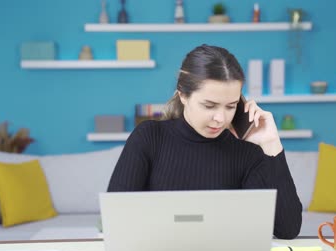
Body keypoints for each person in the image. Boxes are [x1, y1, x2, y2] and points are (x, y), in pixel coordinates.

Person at [108, 44, 302, 239]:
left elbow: (288, 229)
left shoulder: (247, 152)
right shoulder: (149, 137)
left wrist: (271, 144)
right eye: (209, 105)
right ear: (182, 95)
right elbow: (116, 219)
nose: (220, 118)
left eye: (231, 106)